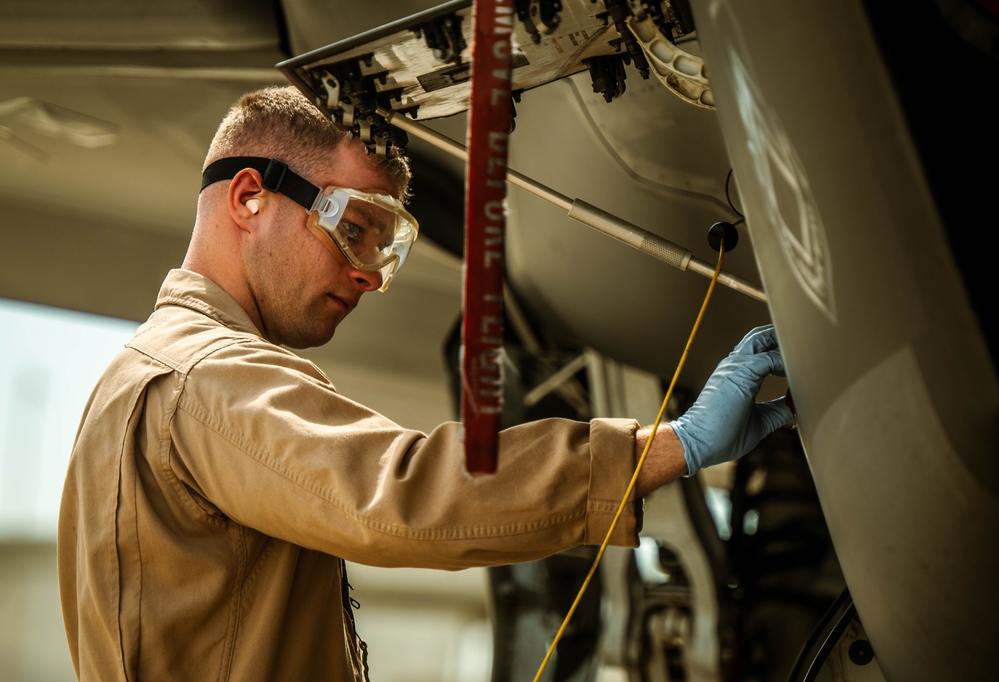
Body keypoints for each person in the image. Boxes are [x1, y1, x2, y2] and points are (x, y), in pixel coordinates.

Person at [57, 85, 793, 681]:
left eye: (388, 249)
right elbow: (399, 496)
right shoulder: (203, 374)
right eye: (354, 229)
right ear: (248, 197)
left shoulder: (144, 375)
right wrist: (671, 447)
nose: (369, 276)